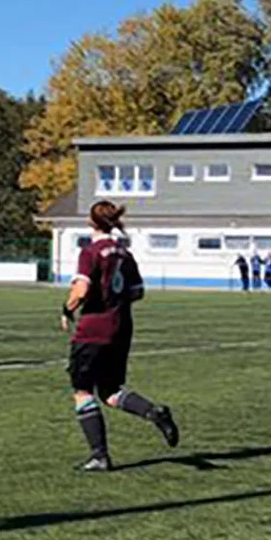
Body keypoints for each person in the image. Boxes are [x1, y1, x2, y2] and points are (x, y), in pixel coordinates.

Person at [62, 201, 179, 472]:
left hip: (93, 330)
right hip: (120, 328)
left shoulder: (90, 252)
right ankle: (154, 412)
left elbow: (80, 291)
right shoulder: (125, 255)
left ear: (91, 222)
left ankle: (99, 455)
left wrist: (67, 309)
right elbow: (138, 292)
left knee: (82, 391)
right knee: (110, 390)